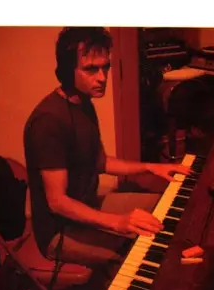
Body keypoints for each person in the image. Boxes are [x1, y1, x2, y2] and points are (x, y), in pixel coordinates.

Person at [23, 27, 191, 273]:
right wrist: (118, 222)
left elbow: (100, 162)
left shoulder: (83, 103)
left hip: (89, 207)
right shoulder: (48, 122)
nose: (102, 77)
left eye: (105, 67)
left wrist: (152, 167)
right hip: (59, 232)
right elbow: (57, 202)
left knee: (162, 208)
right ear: (67, 71)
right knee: (137, 256)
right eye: (91, 69)